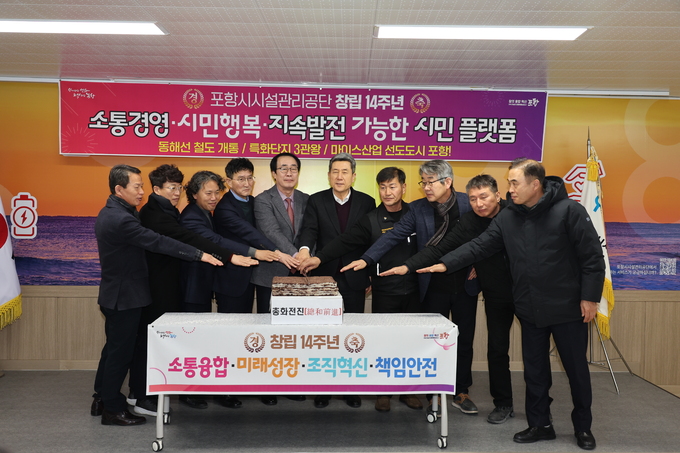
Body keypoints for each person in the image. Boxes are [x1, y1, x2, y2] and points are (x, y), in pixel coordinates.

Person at [416, 159, 604, 450]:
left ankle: (583, 427)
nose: (510, 189)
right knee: (535, 372)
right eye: (509, 183)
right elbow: (479, 245)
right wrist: (445, 264)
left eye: (515, 183)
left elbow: (592, 257)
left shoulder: (570, 211)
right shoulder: (509, 217)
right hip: (528, 306)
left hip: (567, 308)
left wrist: (590, 298)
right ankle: (540, 424)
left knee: (576, 370)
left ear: (535, 184)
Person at [341, 159, 480, 415]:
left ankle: (461, 391)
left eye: (430, 182)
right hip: (431, 285)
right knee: (432, 343)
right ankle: (432, 394)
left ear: (447, 182)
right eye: (423, 182)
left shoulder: (467, 203)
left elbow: (484, 236)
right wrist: (366, 259)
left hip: (465, 283)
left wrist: (479, 265)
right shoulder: (418, 208)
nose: (425, 187)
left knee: (464, 341)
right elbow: (393, 236)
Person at [91, 164, 223, 426]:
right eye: (137, 187)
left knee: (113, 350)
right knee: (120, 354)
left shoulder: (116, 211)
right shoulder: (122, 219)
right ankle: (113, 409)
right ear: (119, 189)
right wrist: (199, 254)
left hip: (117, 294)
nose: (142, 192)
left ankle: (102, 399)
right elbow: (157, 241)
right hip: (125, 296)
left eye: (142, 186)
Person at [381, 174, 515, 423]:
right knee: (492, 349)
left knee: (525, 351)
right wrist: (409, 266)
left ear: (498, 195)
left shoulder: (513, 213)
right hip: (481, 292)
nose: (479, 203)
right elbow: (445, 247)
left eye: (484, 197)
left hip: (517, 290)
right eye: (473, 199)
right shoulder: (466, 219)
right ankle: (492, 402)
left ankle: (535, 409)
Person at [128, 164, 257, 417]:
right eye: (171, 188)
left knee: (166, 341)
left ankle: (140, 391)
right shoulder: (163, 214)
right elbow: (196, 240)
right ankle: (152, 395)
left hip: (180, 286)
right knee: (163, 342)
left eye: (178, 187)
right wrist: (229, 256)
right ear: (157, 189)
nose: (176, 192)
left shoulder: (174, 210)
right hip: (171, 288)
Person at [298, 167, 421, 412]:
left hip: (416, 288)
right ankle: (383, 393)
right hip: (384, 289)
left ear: (404, 187)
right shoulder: (371, 218)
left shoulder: (417, 213)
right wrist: (319, 258)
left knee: (413, 341)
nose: (387, 192)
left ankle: (409, 391)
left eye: (392, 186)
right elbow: (346, 241)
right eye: (383, 187)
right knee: (384, 342)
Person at [179, 170, 274, 410]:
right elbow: (216, 241)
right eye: (208, 193)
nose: (213, 198)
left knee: (208, 338)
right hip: (193, 287)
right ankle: (190, 392)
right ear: (194, 194)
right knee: (193, 342)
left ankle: (213, 389)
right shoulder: (191, 216)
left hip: (203, 286)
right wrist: (243, 254)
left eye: (216, 193)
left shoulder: (205, 213)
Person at [296, 152, 376, 408]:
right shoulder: (317, 200)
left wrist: (369, 272)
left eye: (345, 172)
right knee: (324, 336)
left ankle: (350, 387)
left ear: (354, 176)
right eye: (335, 172)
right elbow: (309, 230)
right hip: (324, 275)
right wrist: (305, 250)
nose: (339, 177)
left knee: (352, 335)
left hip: (354, 276)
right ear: (328, 175)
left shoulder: (367, 201)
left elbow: (371, 240)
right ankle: (323, 388)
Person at [251, 152, 308, 406]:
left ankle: (290, 382)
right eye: (283, 168)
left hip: (301, 276)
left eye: (293, 168)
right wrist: (296, 255)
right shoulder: (263, 200)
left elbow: (310, 231)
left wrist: (306, 254)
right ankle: (265, 385)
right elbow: (271, 231)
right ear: (274, 173)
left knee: (293, 334)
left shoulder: (307, 199)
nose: (288, 173)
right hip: (271, 275)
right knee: (269, 333)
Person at [212, 158, 293, 314]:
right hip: (232, 278)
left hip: (252, 275)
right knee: (232, 324)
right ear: (229, 182)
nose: (247, 183)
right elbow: (250, 233)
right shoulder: (224, 208)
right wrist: (277, 252)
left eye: (250, 178)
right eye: (241, 179)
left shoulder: (254, 201)